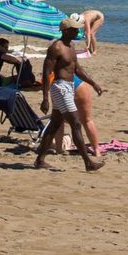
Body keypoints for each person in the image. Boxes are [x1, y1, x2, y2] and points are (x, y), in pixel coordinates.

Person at [34, 18, 105, 171]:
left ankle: (40, 160)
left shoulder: (71, 46)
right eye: (74, 29)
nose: (78, 32)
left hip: (69, 86)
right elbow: (46, 73)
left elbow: (77, 69)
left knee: (54, 125)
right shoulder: (56, 48)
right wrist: (45, 98)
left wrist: (93, 83)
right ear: (66, 30)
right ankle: (88, 162)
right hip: (59, 87)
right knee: (76, 123)